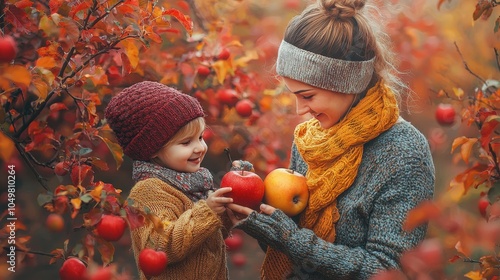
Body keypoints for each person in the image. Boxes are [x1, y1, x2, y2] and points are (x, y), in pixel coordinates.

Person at [226, 0, 435, 279]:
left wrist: (290, 239)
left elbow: (390, 270)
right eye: (294, 95)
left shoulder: (404, 152)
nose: (300, 110)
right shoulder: (312, 138)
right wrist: (255, 204)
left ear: (348, 82)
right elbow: (292, 253)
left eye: (308, 96)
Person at [104, 81, 233, 280]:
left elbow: (204, 241)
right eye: (186, 142)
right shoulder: (149, 191)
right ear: (153, 149)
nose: (199, 147)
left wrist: (226, 215)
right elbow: (162, 245)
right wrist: (207, 212)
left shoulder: (193, 183)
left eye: (200, 137)